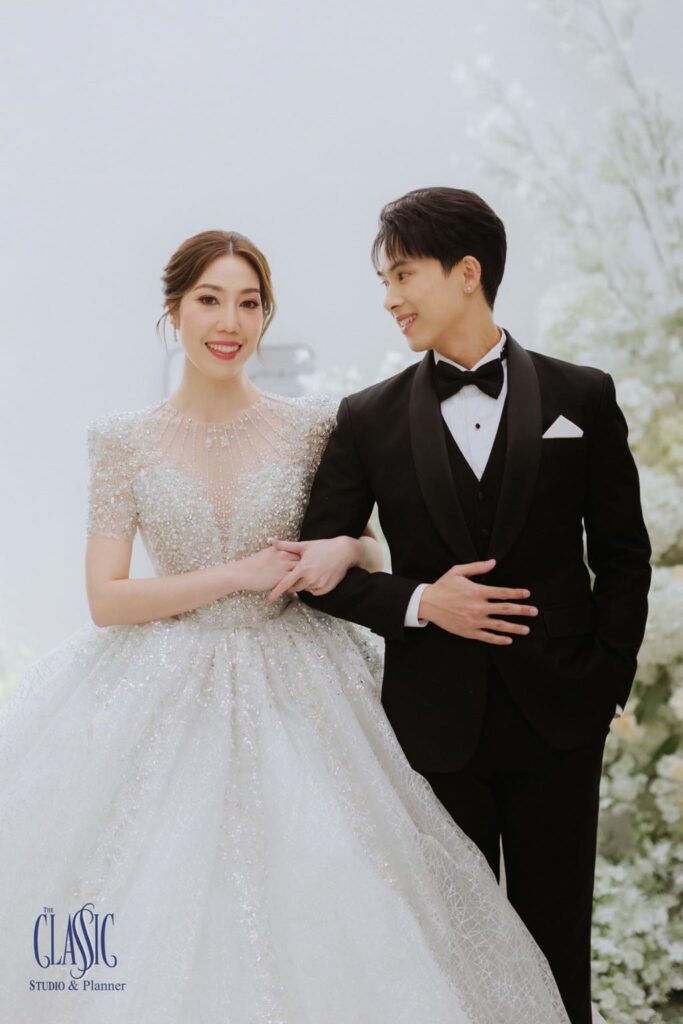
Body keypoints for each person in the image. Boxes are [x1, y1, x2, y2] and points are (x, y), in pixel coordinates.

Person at [0, 228, 576, 1024]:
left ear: (266, 316)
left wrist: (344, 546)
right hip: (166, 687)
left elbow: (367, 547)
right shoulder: (122, 441)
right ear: (173, 310)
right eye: (209, 300)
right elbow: (107, 597)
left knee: (338, 880)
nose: (228, 322)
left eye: (249, 304)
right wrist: (235, 575)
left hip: (304, 679)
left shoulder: (313, 426)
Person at [286, 188, 651, 1024]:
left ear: (466, 273)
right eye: (383, 281)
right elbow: (316, 567)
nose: (389, 299)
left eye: (402, 275)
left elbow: (622, 556)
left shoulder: (582, 396)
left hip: (559, 716)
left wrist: (603, 682)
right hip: (433, 727)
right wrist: (421, 601)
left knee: (557, 945)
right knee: (451, 957)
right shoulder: (367, 418)